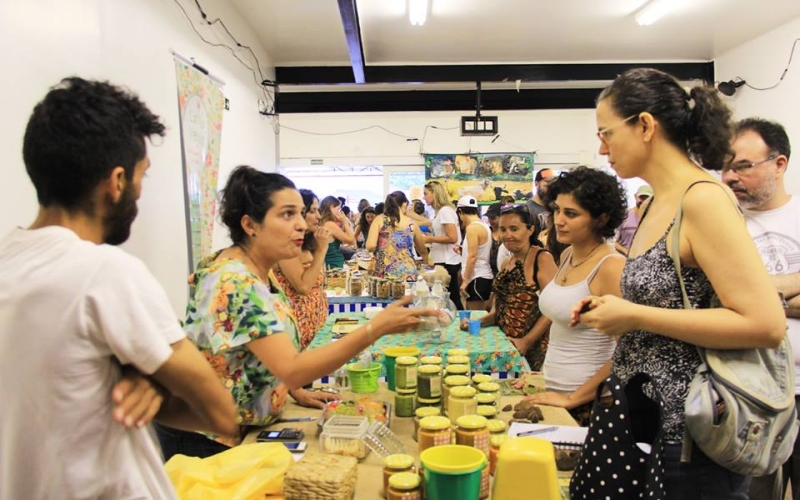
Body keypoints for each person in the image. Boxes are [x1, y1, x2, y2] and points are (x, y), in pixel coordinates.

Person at [0, 77, 238, 499]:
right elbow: (221, 413)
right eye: (141, 176)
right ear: (116, 181)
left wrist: (144, 376)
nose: (140, 192)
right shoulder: (103, 273)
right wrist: (159, 383)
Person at [581, 68, 784, 498]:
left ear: (645, 126)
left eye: (607, 133)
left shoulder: (703, 199)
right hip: (647, 422)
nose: (603, 148)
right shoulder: (657, 202)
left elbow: (765, 324)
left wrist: (635, 314)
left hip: (691, 434)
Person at [156, 166, 438, 459]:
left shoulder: (259, 272)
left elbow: (258, 352)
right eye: (287, 214)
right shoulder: (235, 281)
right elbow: (291, 366)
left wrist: (292, 390)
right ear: (251, 225)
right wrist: (374, 328)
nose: (302, 225)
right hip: (204, 433)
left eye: (301, 214)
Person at [724, 118, 799, 500]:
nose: (730, 177)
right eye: (725, 167)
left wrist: (758, 296)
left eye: (742, 166)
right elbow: (720, 298)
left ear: (779, 163)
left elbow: (740, 297)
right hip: (747, 390)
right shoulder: (723, 223)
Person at [527, 167, 627, 426]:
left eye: (571, 214)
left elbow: (628, 350)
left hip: (589, 403)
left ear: (601, 218)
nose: (558, 220)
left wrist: (574, 397)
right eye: (557, 210)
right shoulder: (568, 255)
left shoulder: (610, 267)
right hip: (556, 390)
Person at [476, 205, 558, 371]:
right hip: (506, 346)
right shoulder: (507, 263)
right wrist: (477, 322)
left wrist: (526, 341)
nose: (507, 235)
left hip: (534, 349)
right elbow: (500, 310)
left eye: (514, 229)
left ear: (530, 230)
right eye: (503, 229)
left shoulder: (542, 259)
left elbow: (553, 310)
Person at [273, 189, 329, 350]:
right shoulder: (286, 246)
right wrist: (321, 250)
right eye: (313, 211)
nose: (318, 216)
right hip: (297, 327)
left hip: (313, 325)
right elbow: (303, 286)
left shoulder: (307, 244)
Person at [367, 191, 426, 281]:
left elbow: (370, 246)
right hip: (407, 272)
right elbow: (422, 250)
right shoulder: (411, 224)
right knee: (407, 294)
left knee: (384, 294)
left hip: (384, 272)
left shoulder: (379, 220)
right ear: (404, 203)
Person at [422, 180, 463, 309]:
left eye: (426, 194)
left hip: (448, 261)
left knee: (451, 297)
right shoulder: (439, 212)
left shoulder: (445, 211)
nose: (424, 197)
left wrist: (430, 239)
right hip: (442, 259)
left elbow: (452, 237)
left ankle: (460, 320)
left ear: (435, 193)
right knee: (446, 298)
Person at [456, 195, 495, 310]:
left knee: (474, 318)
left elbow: (473, 257)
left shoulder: (472, 228)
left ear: (460, 211)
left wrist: (465, 282)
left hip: (477, 277)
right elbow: (485, 251)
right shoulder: (484, 226)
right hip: (482, 276)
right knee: (477, 317)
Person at [319, 195, 356, 269]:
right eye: (338, 209)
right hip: (334, 265)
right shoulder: (329, 224)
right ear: (331, 207)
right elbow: (352, 241)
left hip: (328, 264)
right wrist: (345, 221)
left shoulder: (322, 223)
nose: (339, 212)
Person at [615, 184, 653, 250]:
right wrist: (627, 254)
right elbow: (613, 242)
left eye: (647, 198)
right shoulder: (623, 216)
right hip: (624, 257)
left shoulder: (655, 218)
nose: (643, 201)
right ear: (635, 197)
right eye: (641, 197)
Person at [526, 168, 555, 233]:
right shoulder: (528, 209)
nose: (550, 189)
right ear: (536, 184)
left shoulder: (555, 206)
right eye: (547, 186)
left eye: (552, 185)